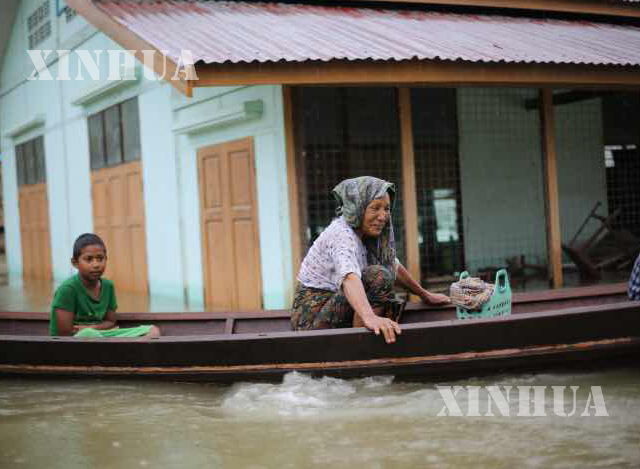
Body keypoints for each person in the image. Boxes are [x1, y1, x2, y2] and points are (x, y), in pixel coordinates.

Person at [291, 176, 450, 344]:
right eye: (375, 208)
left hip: (336, 308)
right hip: (310, 324)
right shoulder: (342, 234)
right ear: (357, 208)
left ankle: (369, 341)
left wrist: (424, 295)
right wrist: (369, 317)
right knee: (378, 276)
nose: (383, 216)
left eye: (386, 209)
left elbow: (392, 265)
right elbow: (349, 277)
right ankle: (359, 347)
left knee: (386, 284)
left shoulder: (366, 236)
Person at [49, 233, 160, 338]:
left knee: (152, 330)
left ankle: (125, 349)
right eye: (89, 259)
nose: (96, 265)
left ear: (106, 259)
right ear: (75, 263)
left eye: (100, 258)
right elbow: (64, 333)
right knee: (88, 335)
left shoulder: (108, 286)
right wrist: (89, 331)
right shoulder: (68, 289)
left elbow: (111, 321)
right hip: (74, 341)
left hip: (100, 335)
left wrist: (93, 328)